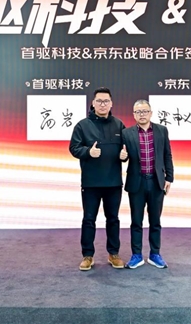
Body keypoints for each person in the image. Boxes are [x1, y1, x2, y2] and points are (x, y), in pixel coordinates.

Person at [69, 87, 126, 271]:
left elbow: (127, 148)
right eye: (99, 101)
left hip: (114, 183)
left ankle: (113, 253)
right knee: (89, 219)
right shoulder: (82, 125)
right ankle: (87, 255)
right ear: (93, 103)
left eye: (106, 101)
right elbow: (74, 148)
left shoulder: (119, 125)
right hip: (91, 183)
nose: (103, 104)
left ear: (111, 103)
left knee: (113, 219)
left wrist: (125, 156)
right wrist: (88, 152)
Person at [120, 99, 174, 269]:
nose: (141, 115)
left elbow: (167, 155)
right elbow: (123, 155)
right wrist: (122, 157)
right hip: (137, 182)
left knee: (155, 220)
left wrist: (169, 178)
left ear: (150, 113)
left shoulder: (161, 131)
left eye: (144, 111)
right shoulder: (126, 133)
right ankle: (136, 255)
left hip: (156, 182)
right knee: (136, 221)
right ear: (133, 114)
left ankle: (155, 254)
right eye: (138, 112)